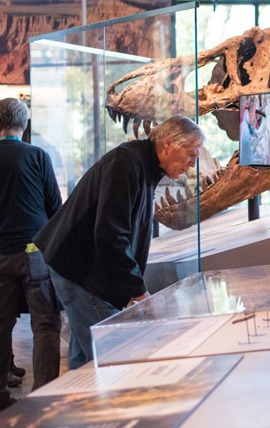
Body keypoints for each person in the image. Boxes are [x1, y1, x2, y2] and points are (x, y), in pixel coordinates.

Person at [36, 115, 204, 370]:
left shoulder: (144, 165)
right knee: (110, 357)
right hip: (80, 270)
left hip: (85, 268)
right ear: (168, 143)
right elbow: (110, 234)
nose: (193, 164)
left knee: (85, 359)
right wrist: (137, 289)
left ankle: (80, 406)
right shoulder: (126, 162)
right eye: (191, 154)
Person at [0, 99, 62, 414]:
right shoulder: (37, 156)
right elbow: (55, 209)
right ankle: (44, 396)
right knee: (46, 324)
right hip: (34, 253)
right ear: (24, 124)